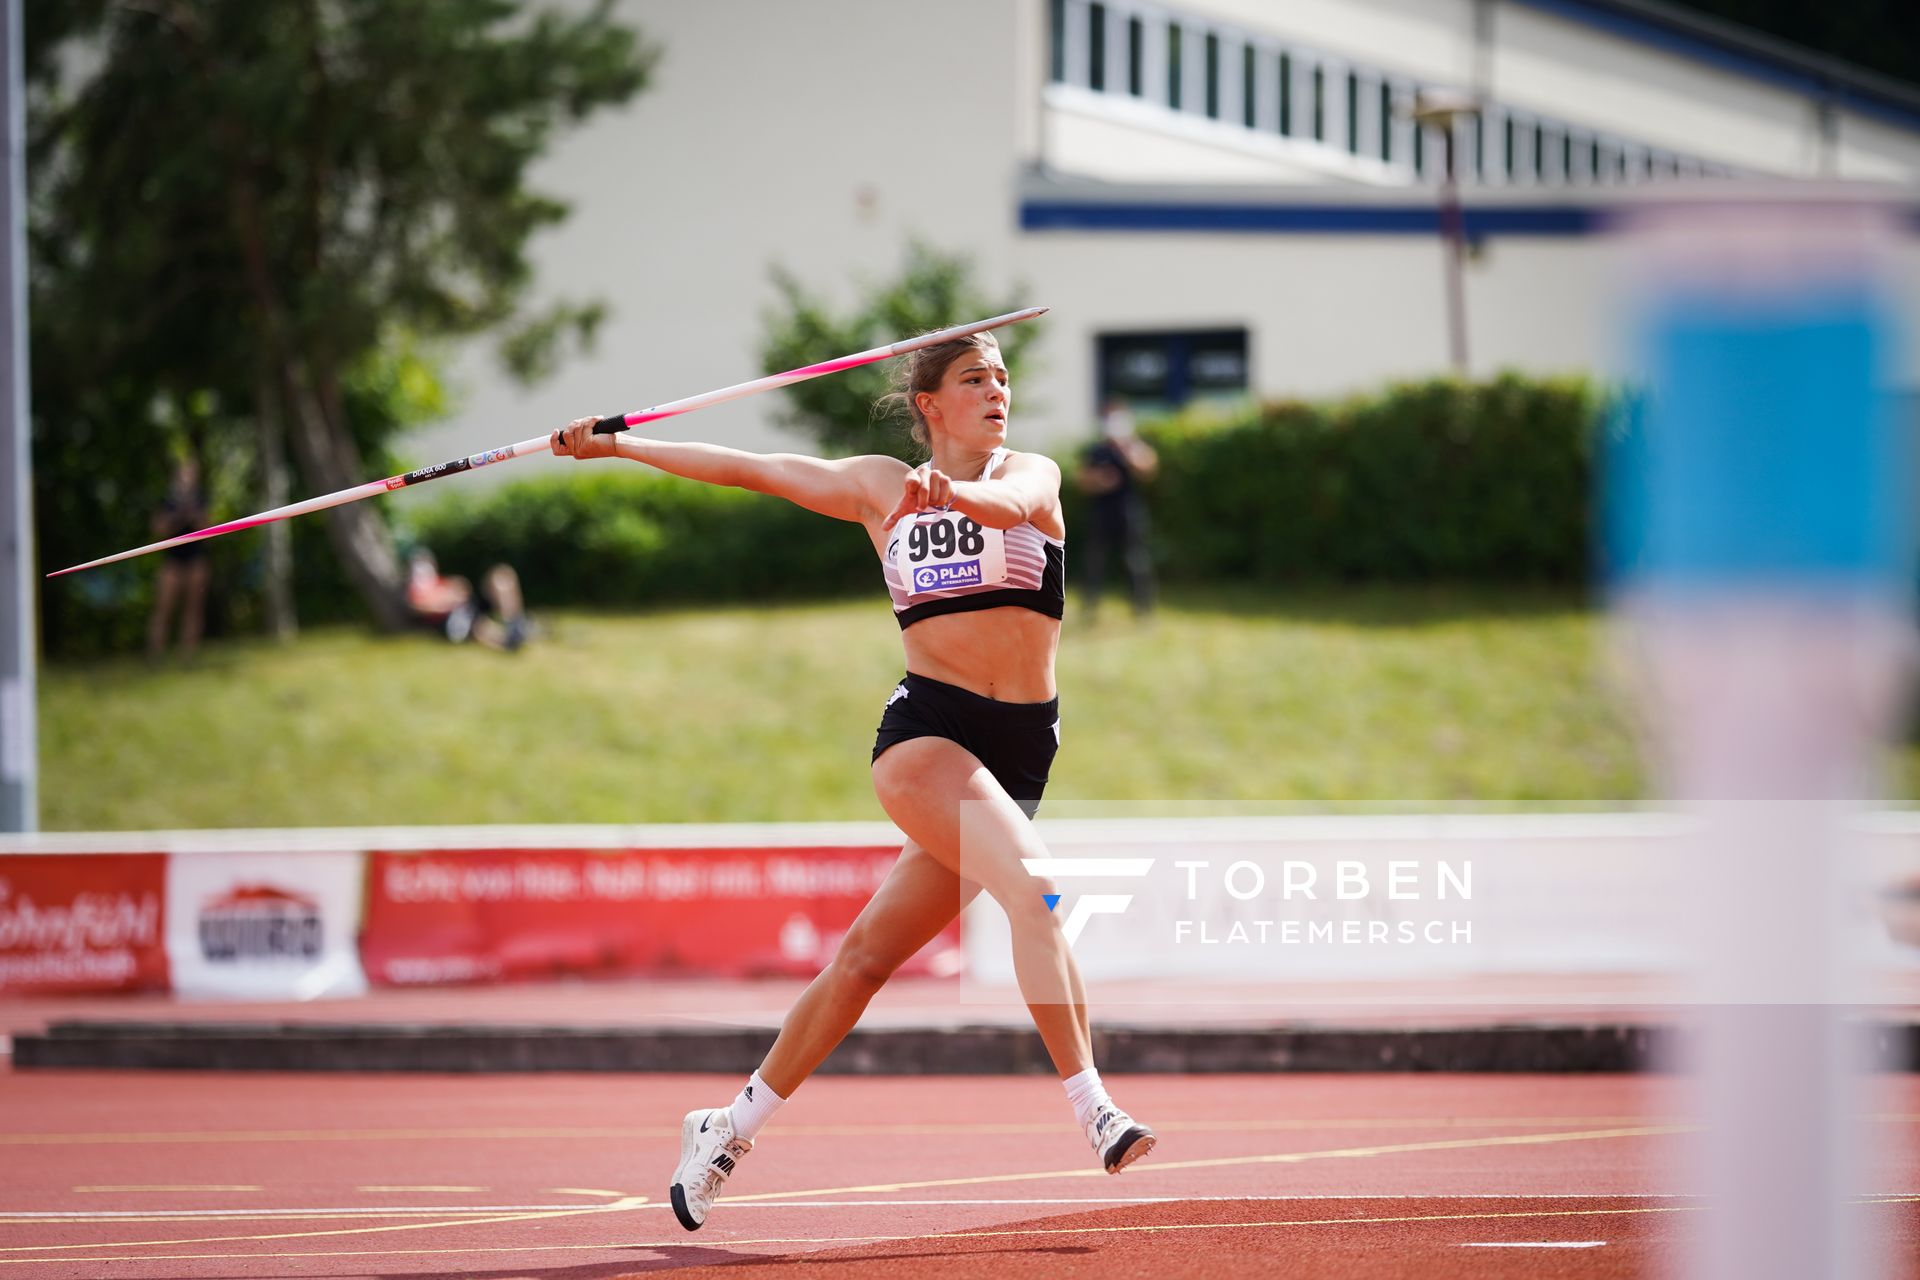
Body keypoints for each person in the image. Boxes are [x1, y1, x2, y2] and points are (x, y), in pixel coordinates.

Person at [549, 329, 1156, 1234]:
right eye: (973, 379)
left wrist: (960, 493)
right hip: (927, 738)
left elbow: (1012, 501)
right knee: (1035, 893)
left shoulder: (1033, 474)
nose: (997, 390)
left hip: (1019, 759)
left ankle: (726, 1126)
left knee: (867, 959)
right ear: (929, 405)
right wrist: (620, 444)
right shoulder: (880, 486)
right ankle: (1094, 1107)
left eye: (1000, 376)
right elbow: (751, 468)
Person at [1076, 399, 1158, 618]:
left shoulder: (1134, 446)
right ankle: (1089, 608)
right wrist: (1099, 481)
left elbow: (1148, 470)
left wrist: (1127, 448)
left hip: (1128, 511)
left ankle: (1142, 609)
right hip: (1101, 512)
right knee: (1095, 561)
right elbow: (1082, 480)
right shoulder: (1096, 450)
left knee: (1135, 561)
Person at [146, 457, 211, 662]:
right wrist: (178, 516)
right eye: (184, 473)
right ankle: (155, 655)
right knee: (163, 608)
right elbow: (158, 529)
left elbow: (209, 528)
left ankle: (188, 656)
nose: (187, 478)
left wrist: (194, 512)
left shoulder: (201, 499)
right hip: (172, 562)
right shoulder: (167, 501)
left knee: (194, 608)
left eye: (191, 474)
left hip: (196, 559)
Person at [405, 548, 530, 652]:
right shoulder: (414, 591)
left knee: (502, 575)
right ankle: (507, 642)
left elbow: (463, 588)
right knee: (476, 626)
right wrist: (443, 603)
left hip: (470, 605)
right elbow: (416, 607)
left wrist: (455, 588)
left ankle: (515, 622)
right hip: (455, 619)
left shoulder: (440, 581)